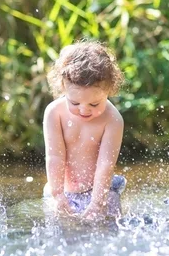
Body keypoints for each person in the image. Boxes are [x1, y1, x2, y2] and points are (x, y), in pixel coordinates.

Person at [43, 40, 126, 221]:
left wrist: (97, 203)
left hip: (100, 190)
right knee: (58, 228)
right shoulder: (54, 113)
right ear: (63, 87)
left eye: (94, 104)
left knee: (108, 222)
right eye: (74, 103)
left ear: (109, 90)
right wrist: (58, 195)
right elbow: (55, 157)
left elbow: (105, 165)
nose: (84, 110)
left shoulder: (112, 120)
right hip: (61, 190)